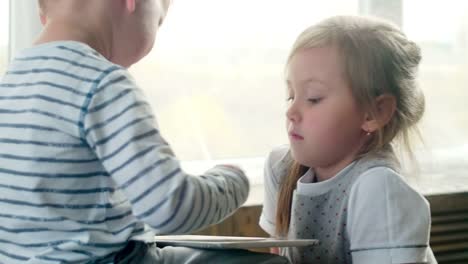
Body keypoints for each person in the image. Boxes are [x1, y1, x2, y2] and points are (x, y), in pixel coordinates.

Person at [0, 0, 289, 263]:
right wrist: (232, 181)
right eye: (159, 21)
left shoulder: (11, 84)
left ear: (43, 13)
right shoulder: (102, 84)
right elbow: (171, 207)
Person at [259, 15, 438, 263]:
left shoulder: (379, 189)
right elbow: (278, 257)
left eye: (313, 98)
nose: (291, 111)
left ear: (374, 113)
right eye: (291, 95)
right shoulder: (280, 166)